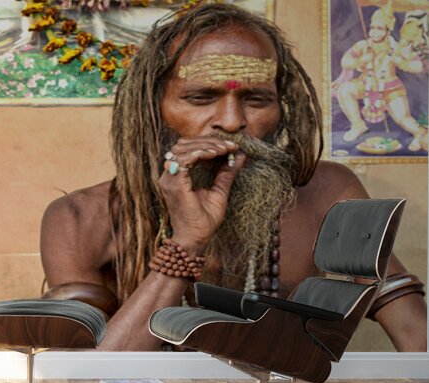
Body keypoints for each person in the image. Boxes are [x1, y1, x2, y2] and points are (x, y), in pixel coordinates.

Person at [40, 4, 427, 352]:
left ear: (281, 107)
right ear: (153, 107)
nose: (231, 121)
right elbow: (86, 373)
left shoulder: (326, 191)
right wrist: (187, 242)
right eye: (200, 98)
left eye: (256, 100)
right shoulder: (78, 218)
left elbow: (414, 333)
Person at [331, 4, 428, 149]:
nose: (374, 32)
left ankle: (420, 134)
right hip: (366, 84)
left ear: (388, 31)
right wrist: (360, 61)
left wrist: (402, 63)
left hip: (391, 88)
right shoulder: (363, 45)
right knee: (345, 90)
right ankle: (358, 125)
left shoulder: (396, 48)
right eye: (372, 28)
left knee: (403, 118)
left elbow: (418, 66)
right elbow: (345, 62)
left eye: (379, 28)